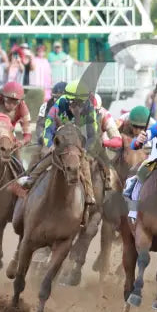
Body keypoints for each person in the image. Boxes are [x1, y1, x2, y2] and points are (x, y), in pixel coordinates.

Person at [16, 81, 104, 218]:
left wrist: (85, 149)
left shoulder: (89, 108)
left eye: (81, 103)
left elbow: (93, 134)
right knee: (45, 154)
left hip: (79, 142)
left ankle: (89, 194)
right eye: (75, 103)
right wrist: (50, 144)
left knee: (85, 163)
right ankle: (30, 181)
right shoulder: (58, 105)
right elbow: (48, 128)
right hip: (60, 140)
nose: (78, 107)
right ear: (69, 100)